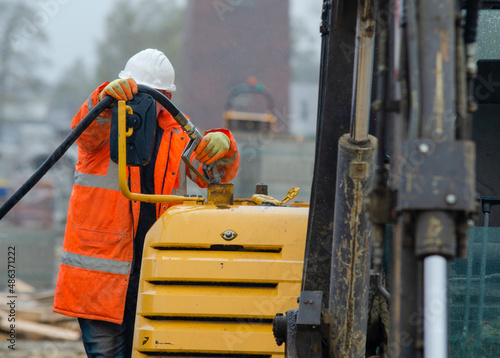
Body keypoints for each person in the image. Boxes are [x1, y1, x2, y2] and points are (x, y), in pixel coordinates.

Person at [53, 49, 239, 357]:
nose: (144, 100)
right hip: (102, 276)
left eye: (154, 93)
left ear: (166, 96)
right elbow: (85, 134)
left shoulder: (179, 132)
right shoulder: (104, 123)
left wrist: (226, 147)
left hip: (155, 274)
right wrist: (103, 98)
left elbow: (213, 175)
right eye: (136, 90)